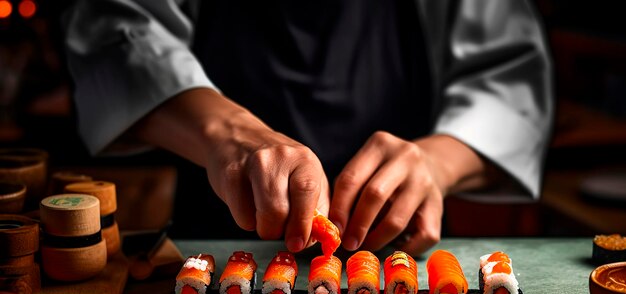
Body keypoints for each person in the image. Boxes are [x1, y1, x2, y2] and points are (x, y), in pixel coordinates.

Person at [63, 0, 553, 256]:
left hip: (395, 250)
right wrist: (229, 135)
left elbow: (509, 80)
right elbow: (114, 32)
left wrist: (438, 163)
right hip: (216, 241)